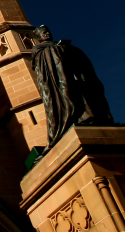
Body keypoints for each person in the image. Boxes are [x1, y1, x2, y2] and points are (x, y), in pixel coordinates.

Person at [31, 25, 114, 155]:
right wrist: (57, 51)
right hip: (58, 81)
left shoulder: (58, 46)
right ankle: (71, 121)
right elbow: (44, 66)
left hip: (73, 76)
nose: (46, 34)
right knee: (64, 98)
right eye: (43, 33)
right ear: (38, 37)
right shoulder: (39, 49)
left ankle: (88, 117)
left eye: (47, 32)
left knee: (85, 96)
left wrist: (65, 49)